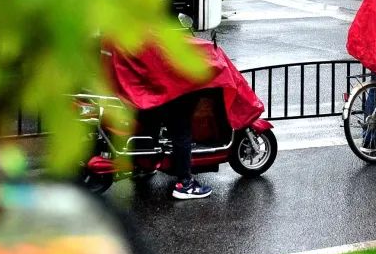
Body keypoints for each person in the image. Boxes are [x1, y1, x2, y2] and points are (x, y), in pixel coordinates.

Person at [105, 36, 264, 200]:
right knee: (181, 131)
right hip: (171, 89)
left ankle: (144, 165)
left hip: (148, 88)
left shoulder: (123, 36)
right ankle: (185, 184)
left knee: (151, 124)